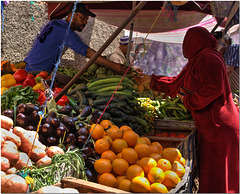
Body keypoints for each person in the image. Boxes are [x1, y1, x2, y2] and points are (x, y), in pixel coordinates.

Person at [143, 26, 239, 192]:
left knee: (219, 175)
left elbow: (213, 88)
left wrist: (188, 100)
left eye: (186, 42)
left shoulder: (208, 58)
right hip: (213, 125)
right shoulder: (200, 58)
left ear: (193, 42)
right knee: (213, 173)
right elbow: (177, 83)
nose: (184, 47)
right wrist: (151, 81)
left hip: (219, 126)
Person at [24, 3, 130, 75]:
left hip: (28, 67)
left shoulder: (54, 23)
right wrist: (114, 66)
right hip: (36, 72)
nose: (85, 23)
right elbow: (87, 52)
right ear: (73, 15)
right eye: (82, 18)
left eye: (87, 20)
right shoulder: (65, 31)